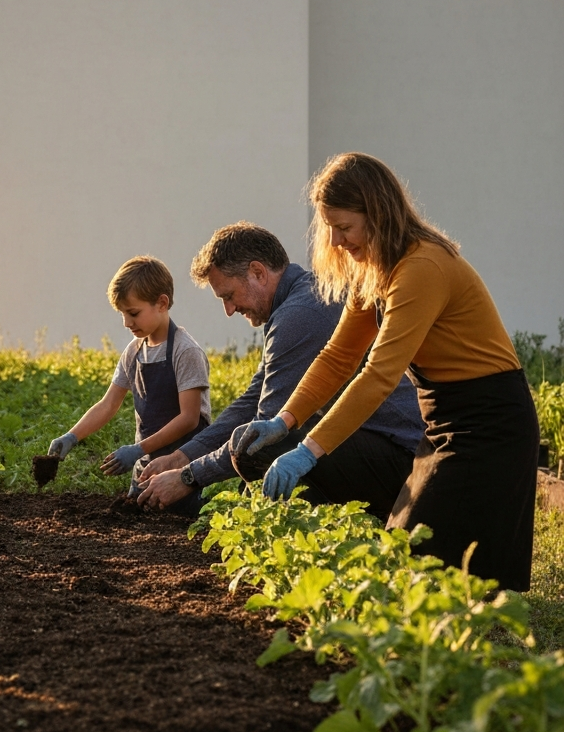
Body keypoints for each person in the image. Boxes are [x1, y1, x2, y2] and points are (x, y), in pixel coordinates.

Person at [233, 154, 537, 590]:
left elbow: (377, 375)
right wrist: (284, 422)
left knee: (430, 565)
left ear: (377, 214)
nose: (336, 241)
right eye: (329, 228)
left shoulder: (422, 267)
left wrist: (308, 451)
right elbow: (339, 357)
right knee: (408, 553)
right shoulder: (373, 270)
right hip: (442, 419)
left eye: (344, 227)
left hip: (489, 424)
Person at [136, 222, 423, 520]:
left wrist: (187, 478)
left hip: (402, 458)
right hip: (382, 446)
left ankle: (326, 524)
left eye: (229, 295)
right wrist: (183, 457)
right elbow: (253, 399)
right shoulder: (297, 299)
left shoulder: (299, 316)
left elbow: (260, 436)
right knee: (261, 445)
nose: (230, 310)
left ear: (258, 272)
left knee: (257, 448)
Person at [46, 256, 211, 515]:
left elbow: (189, 419)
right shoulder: (134, 352)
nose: (126, 322)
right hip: (145, 471)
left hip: (183, 472)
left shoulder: (185, 351)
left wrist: (137, 449)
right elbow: (108, 404)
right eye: (123, 314)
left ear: (162, 303)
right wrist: (72, 436)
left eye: (133, 313)